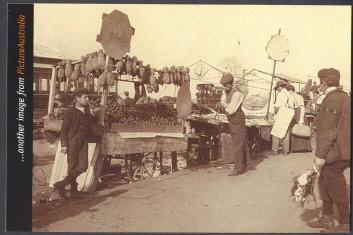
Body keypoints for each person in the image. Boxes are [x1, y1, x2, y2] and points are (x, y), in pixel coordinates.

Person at [306, 68, 351, 233]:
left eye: (320, 82)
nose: (319, 85)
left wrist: (320, 155)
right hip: (344, 149)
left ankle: (346, 223)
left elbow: (327, 131)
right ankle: (326, 217)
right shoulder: (344, 97)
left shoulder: (331, 100)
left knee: (334, 183)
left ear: (325, 82)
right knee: (324, 180)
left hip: (336, 151)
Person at [54, 89, 100, 199]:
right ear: (77, 99)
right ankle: (74, 192)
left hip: (84, 142)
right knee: (72, 166)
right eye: (85, 97)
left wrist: (94, 114)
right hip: (73, 142)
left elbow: (92, 123)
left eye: (88, 97)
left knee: (83, 166)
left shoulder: (87, 109)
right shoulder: (70, 112)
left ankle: (62, 184)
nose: (87, 99)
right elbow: (64, 130)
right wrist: (64, 145)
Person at [218, 73, 247, 176]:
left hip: (237, 118)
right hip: (233, 119)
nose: (225, 87)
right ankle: (242, 164)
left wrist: (225, 104)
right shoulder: (227, 91)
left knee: (237, 143)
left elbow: (230, 110)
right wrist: (224, 98)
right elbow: (222, 101)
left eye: (226, 85)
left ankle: (238, 169)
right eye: (224, 86)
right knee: (238, 141)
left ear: (231, 83)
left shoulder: (237, 94)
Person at [287, 84, 312, 153]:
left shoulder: (293, 97)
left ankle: (297, 147)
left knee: (297, 129)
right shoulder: (299, 96)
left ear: (290, 91)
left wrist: (301, 119)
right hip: (299, 113)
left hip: (298, 113)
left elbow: (301, 108)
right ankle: (303, 147)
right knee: (300, 129)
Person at [269, 80, 291, 155]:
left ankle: (275, 150)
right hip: (288, 113)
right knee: (286, 132)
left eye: (277, 88)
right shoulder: (289, 94)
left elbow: (277, 106)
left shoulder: (281, 94)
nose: (277, 89)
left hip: (281, 113)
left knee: (276, 132)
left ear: (280, 87)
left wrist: (273, 112)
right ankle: (286, 151)